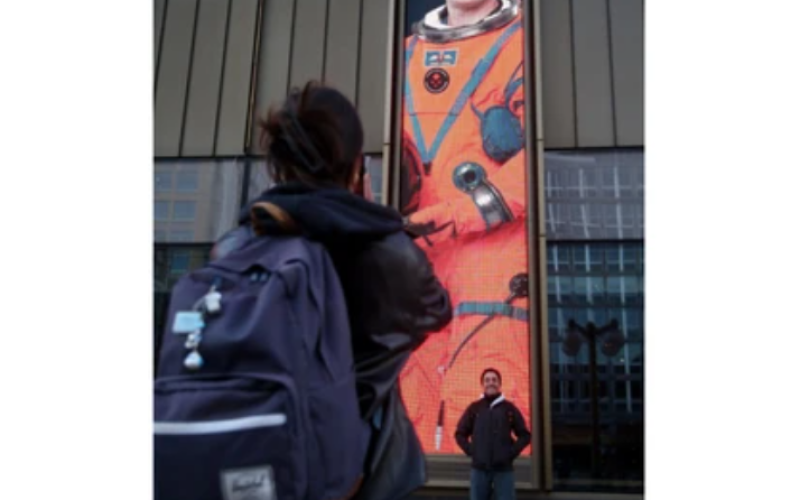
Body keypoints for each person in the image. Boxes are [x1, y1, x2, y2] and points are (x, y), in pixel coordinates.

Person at [213, 81, 453, 500]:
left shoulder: (235, 247)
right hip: (361, 477)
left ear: (277, 165)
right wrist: (371, 214)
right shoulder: (389, 255)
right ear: (357, 167)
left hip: (252, 470)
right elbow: (438, 309)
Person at [398, 0, 532, 454]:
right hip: (418, 263)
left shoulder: (524, 45)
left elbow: (540, 158)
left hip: (493, 266)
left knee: (492, 392)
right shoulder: (401, 57)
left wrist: (458, 215)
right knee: (410, 402)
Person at [455, 368, 531, 500]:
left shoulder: (509, 408)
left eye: (494, 380)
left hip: (504, 471)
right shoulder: (474, 408)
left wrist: (510, 453)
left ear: (499, 384)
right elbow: (460, 434)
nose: (491, 383)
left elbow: (525, 435)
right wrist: (473, 451)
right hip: (479, 471)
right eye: (487, 380)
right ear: (482, 384)